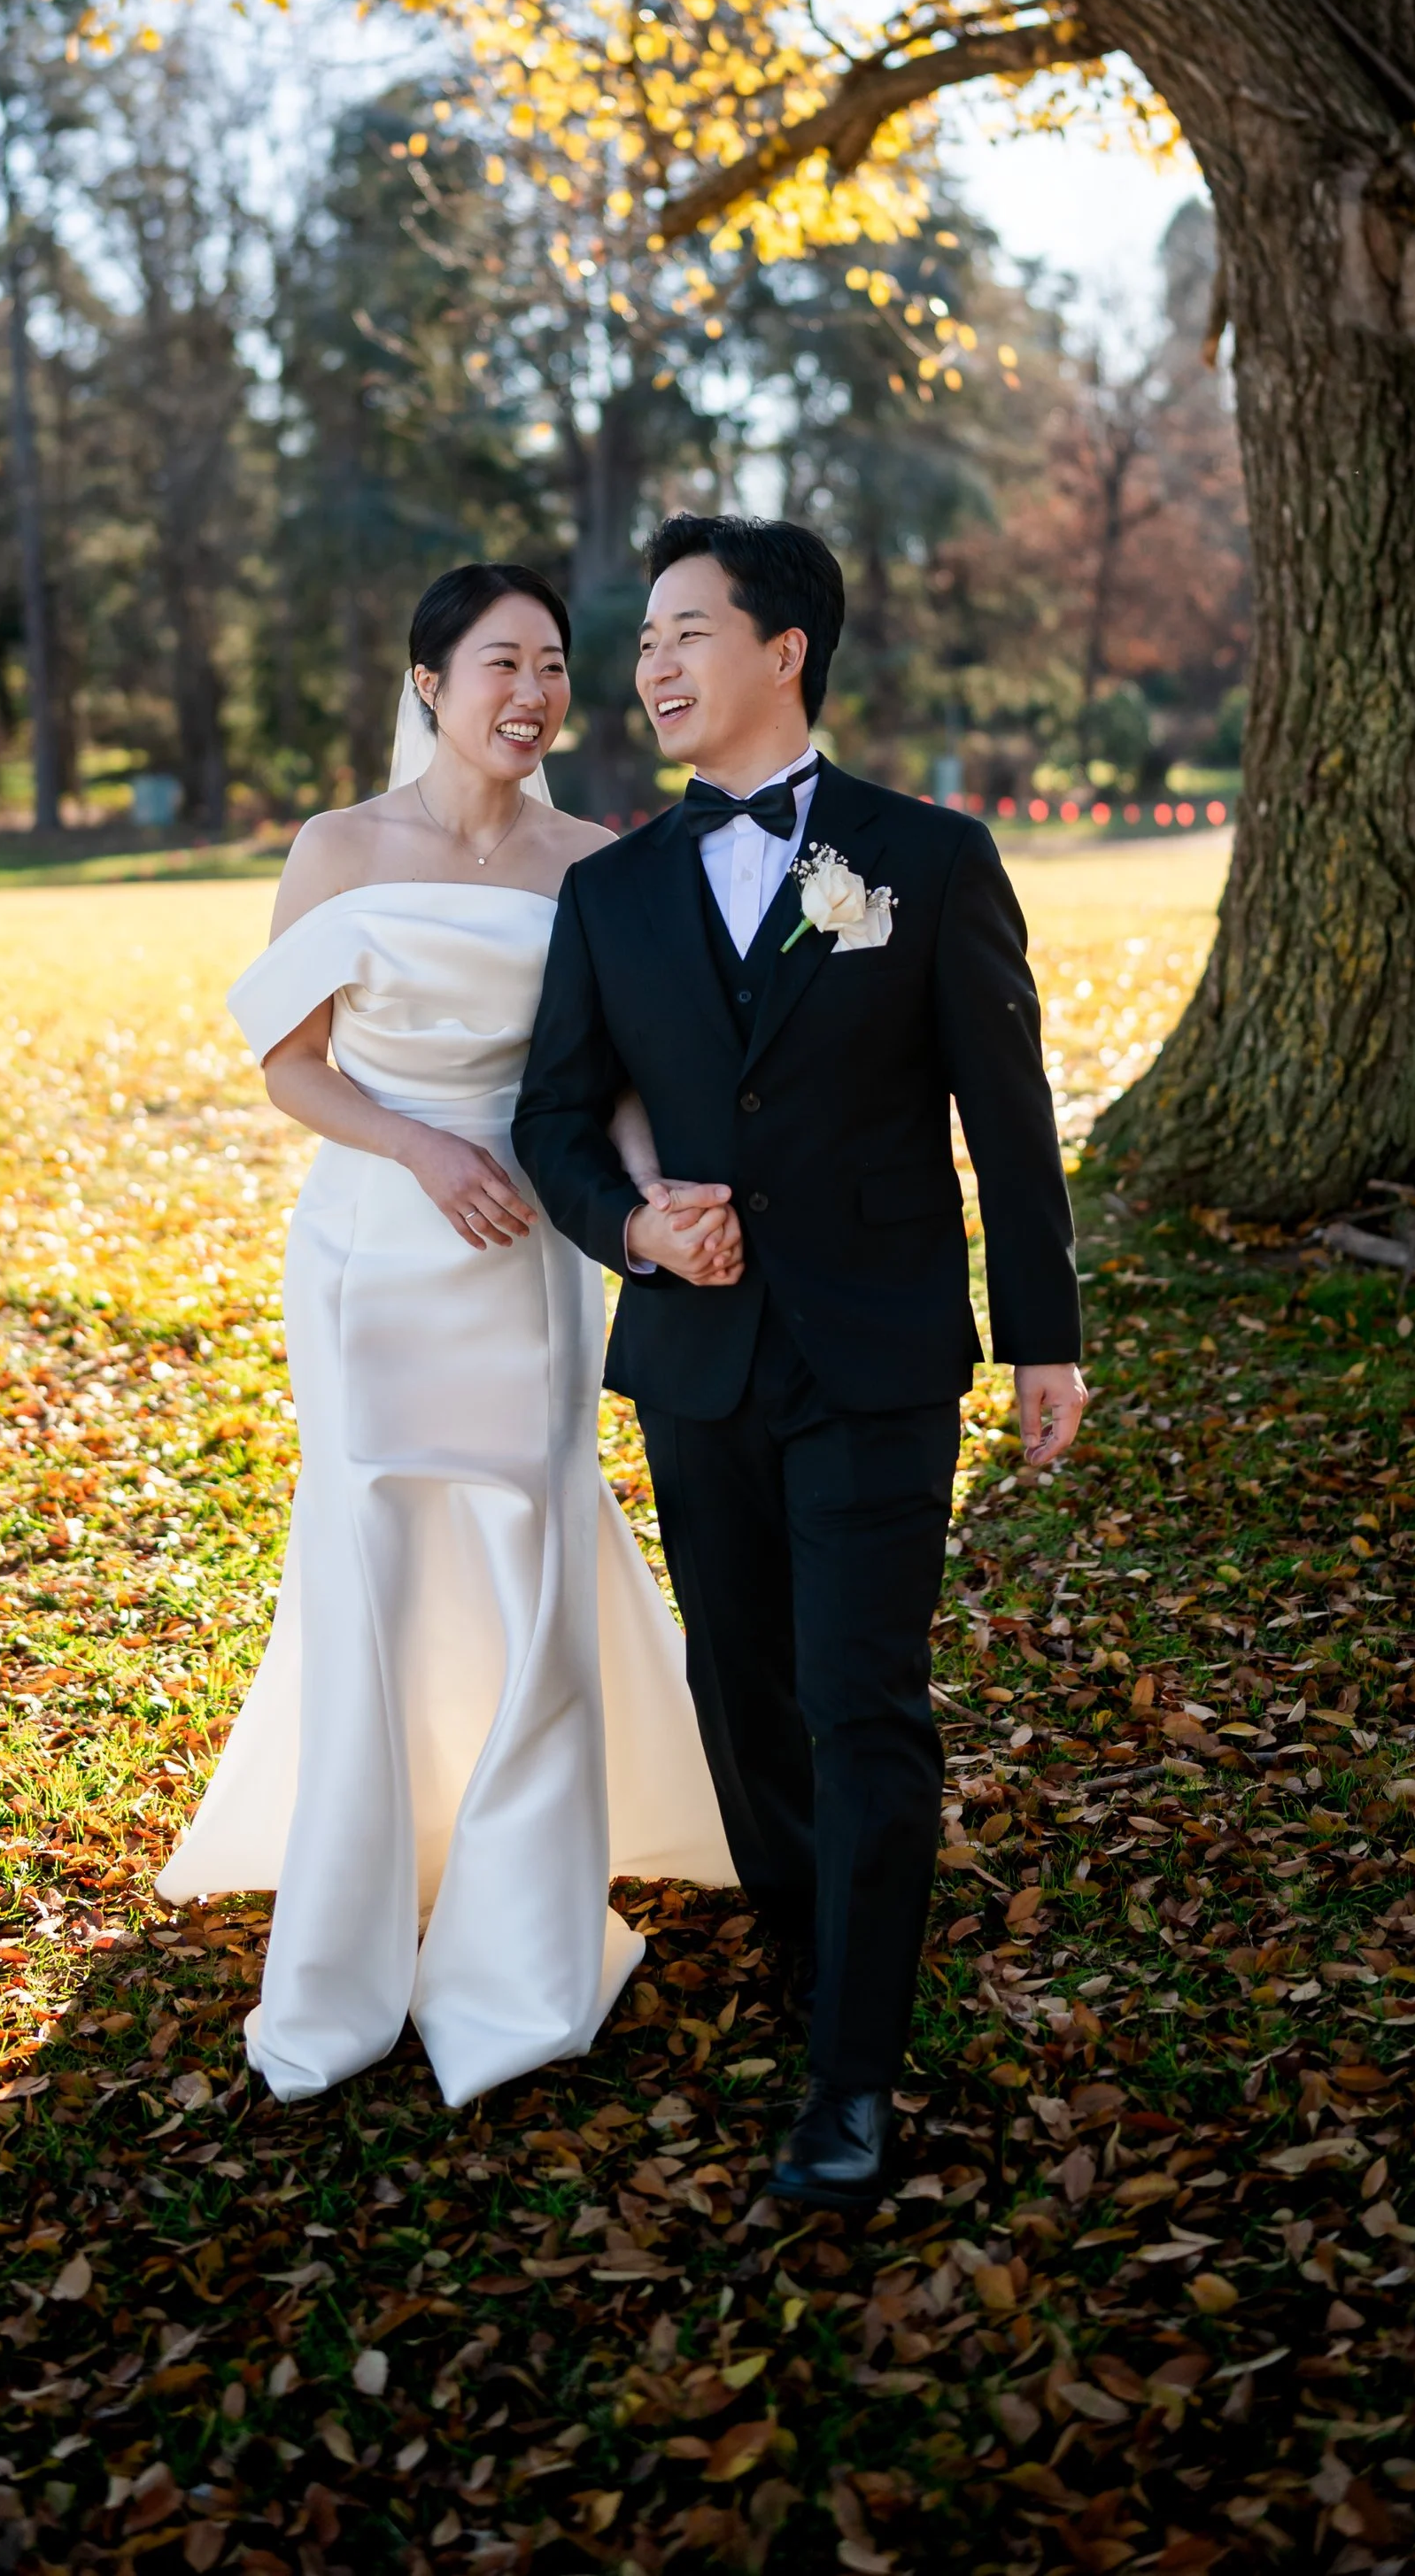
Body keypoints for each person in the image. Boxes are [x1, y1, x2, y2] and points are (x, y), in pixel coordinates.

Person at [513, 514, 1086, 2209]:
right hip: (698, 1356)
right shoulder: (609, 891)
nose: (655, 668)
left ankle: (854, 2074)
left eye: (690, 632)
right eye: (643, 646)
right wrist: (635, 1227)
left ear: (785, 651)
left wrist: (1044, 1336)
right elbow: (549, 1119)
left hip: (880, 1355)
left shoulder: (929, 855)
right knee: (739, 1693)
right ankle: (819, 1940)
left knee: (864, 1700)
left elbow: (1011, 1114)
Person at [158, 561, 739, 2107]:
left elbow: (609, 1079)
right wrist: (421, 1147)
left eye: (554, 663)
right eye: (501, 662)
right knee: (375, 1564)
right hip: (374, 1259)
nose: (533, 693)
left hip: (535, 1257)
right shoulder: (340, 847)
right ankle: (349, 1947)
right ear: (430, 682)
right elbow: (288, 1066)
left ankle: (514, 1951)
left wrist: (646, 1206)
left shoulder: (589, 863)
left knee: (537, 1556)